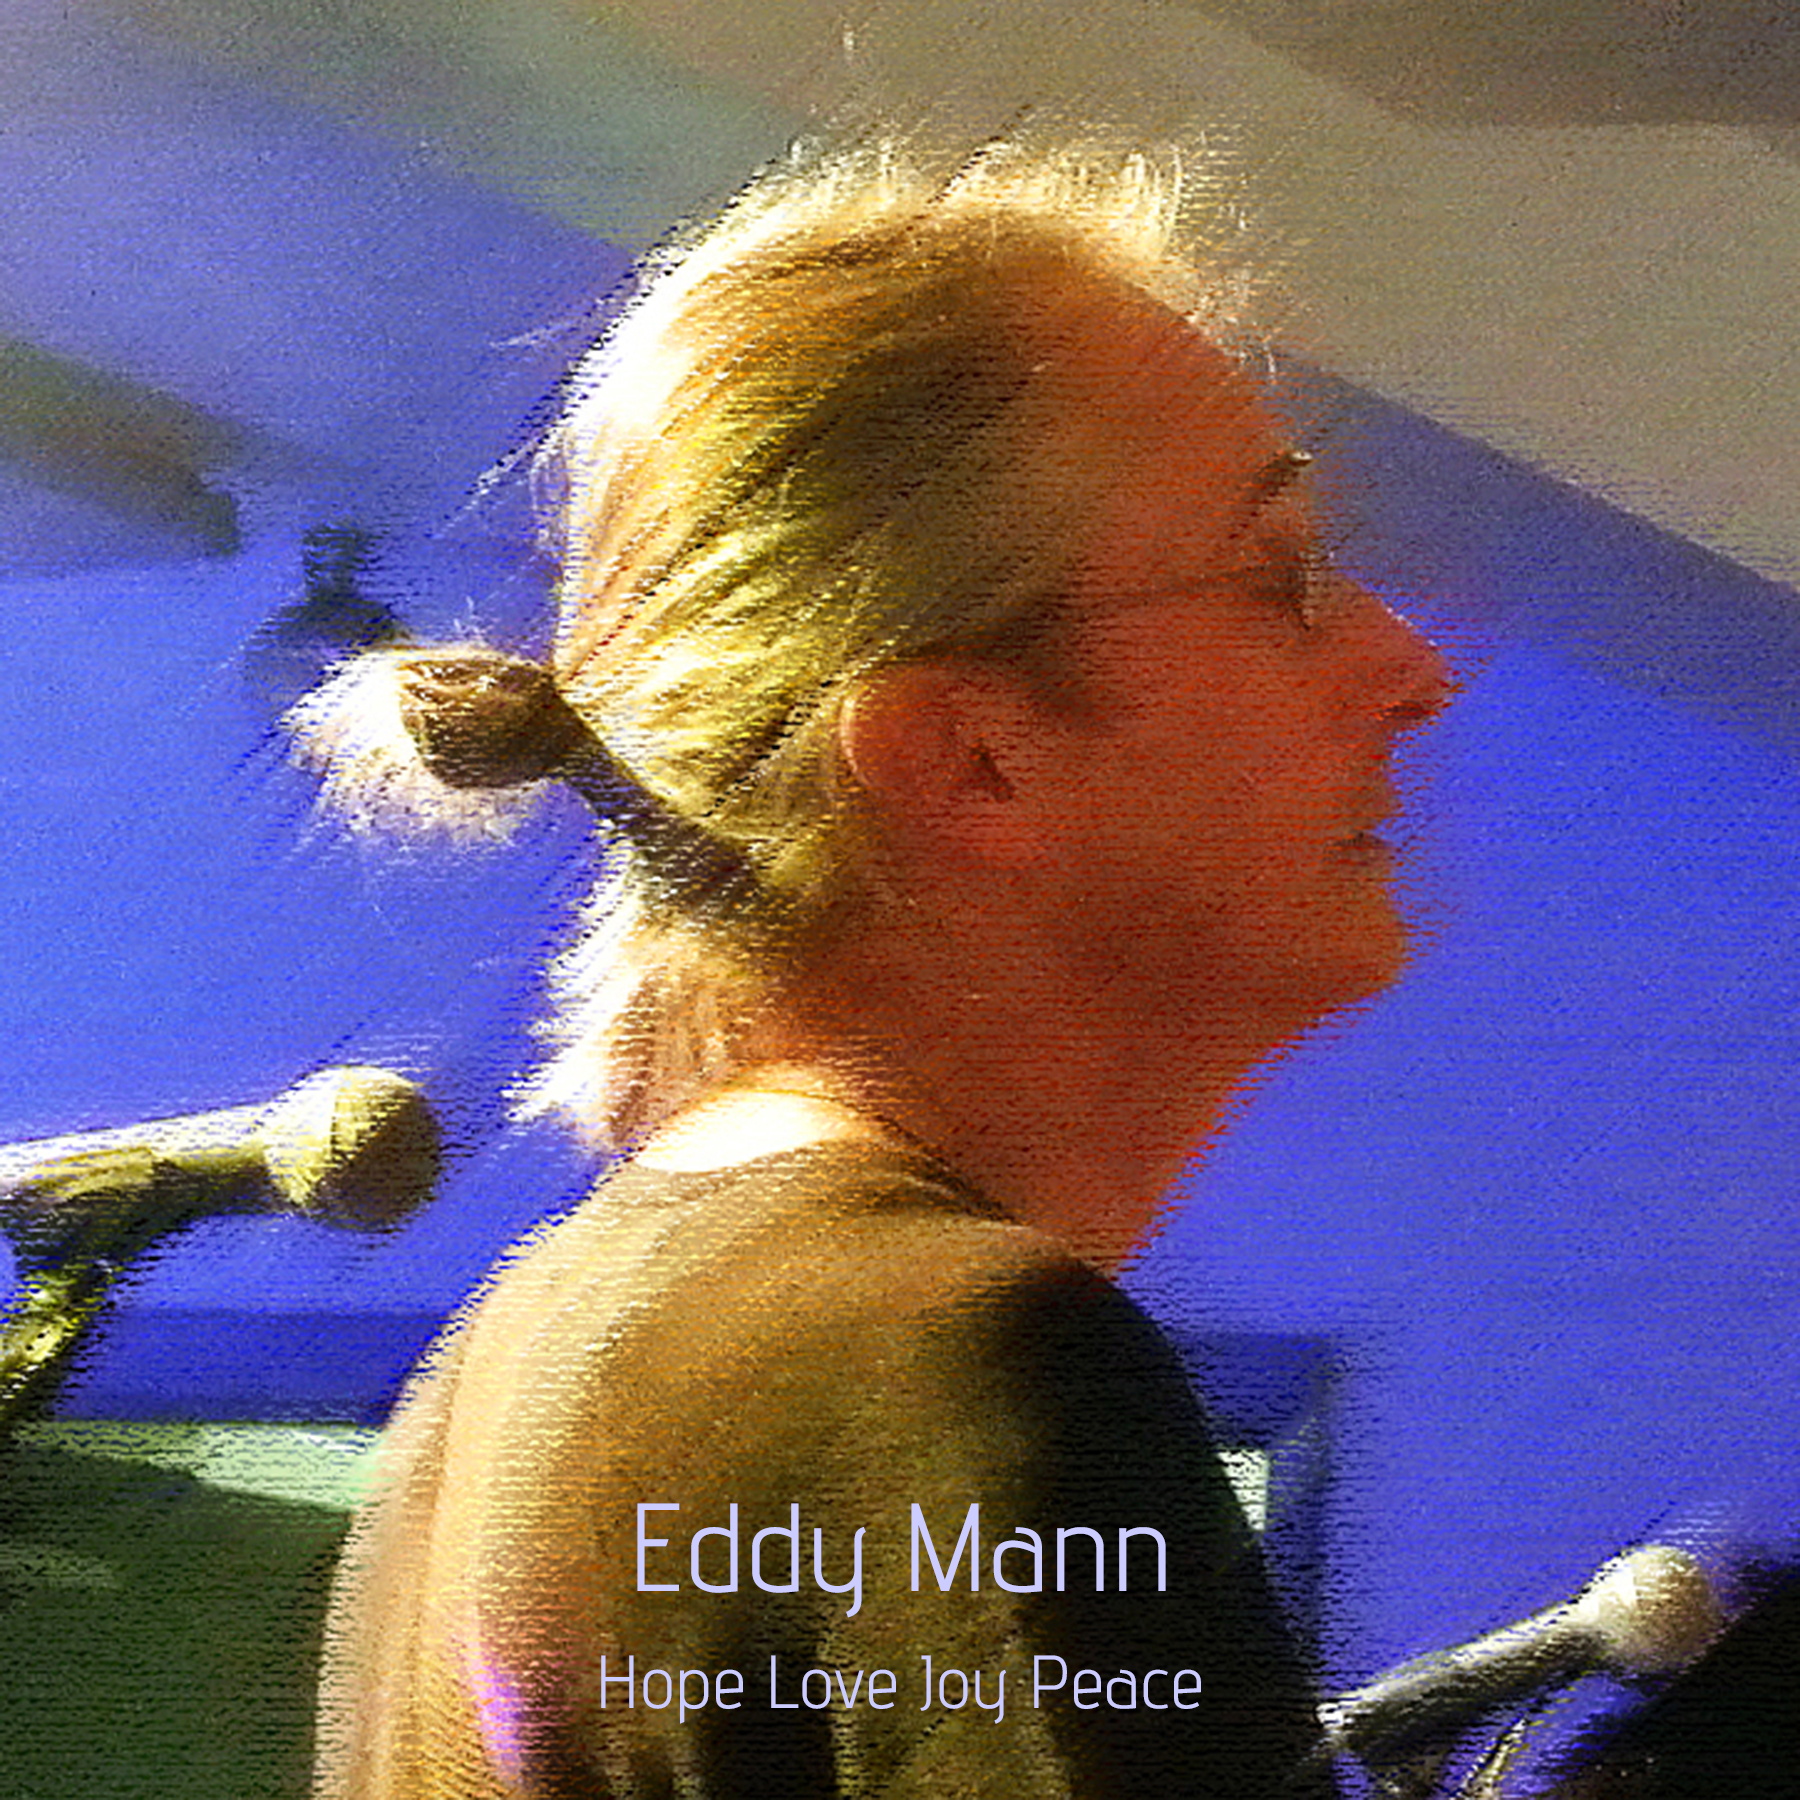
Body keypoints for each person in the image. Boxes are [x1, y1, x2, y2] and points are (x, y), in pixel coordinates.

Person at [303, 132, 1451, 1799]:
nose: (1413, 669)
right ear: (967, 756)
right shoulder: (953, 1365)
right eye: (1280, 577)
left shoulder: (488, 1386)